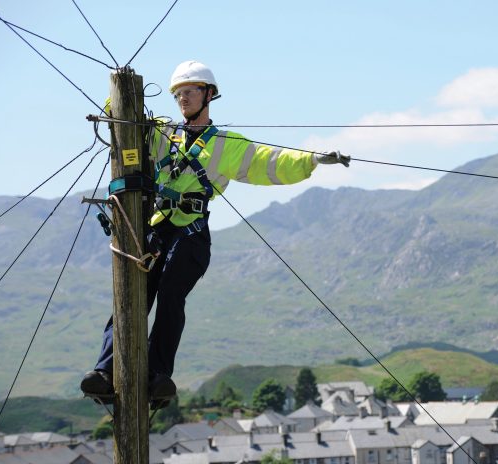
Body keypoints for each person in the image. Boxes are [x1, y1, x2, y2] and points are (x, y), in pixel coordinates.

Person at [81, 60, 350, 402]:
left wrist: (312, 159)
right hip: (154, 230)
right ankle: (106, 370)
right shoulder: (161, 133)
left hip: (191, 234)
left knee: (170, 295)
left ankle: (157, 374)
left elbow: (270, 161)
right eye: (178, 93)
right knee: (132, 294)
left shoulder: (227, 144)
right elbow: (122, 116)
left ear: (209, 95)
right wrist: (119, 88)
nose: (182, 98)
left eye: (190, 91)